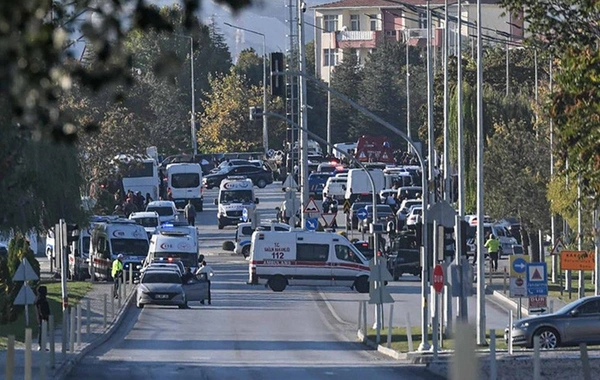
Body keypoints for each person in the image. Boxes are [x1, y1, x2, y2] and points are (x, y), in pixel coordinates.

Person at [35, 285, 50, 351]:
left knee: (42, 331)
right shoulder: (41, 300)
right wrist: (44, 316)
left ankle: (42, 345)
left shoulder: (39, 299)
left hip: (42, 317)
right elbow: (41, 309)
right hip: (42, 318)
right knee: (42, 331)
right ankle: (41, 345)